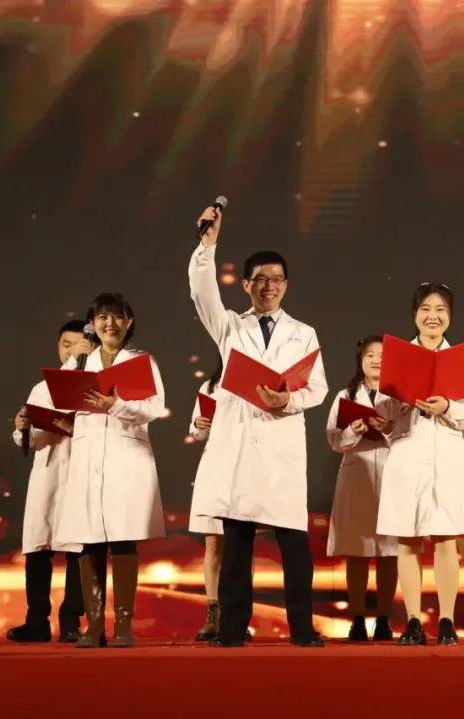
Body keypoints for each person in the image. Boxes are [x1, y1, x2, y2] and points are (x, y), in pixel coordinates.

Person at [188, 204, 328, 648]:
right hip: (241, 450)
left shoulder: (304, 333)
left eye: (277, 279)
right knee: (237, 547)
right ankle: (232, 629)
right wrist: (208, 245)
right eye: (261, 279)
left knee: (294, 550)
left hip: (282, 449)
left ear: (287, 285)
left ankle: (302, 629)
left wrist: (288, 399)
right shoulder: (230, 327)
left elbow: (318, 388)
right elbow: (202, 292)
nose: (269, 286)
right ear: (246, 285)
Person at [55, 293, 167, 648]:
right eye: (103, 317)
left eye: (118, 316)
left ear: (129, 322)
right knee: (88, 539)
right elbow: (60, 402)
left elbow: (154, 408)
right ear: (93, 323)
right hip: (88, 458)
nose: (110, 323)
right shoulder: (79, 363)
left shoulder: (141, 361)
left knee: (122, 538)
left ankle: (123, 624)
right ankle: (93, 624)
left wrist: (116, 405)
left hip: (126, 456)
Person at [375, 283, 464, 646]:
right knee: (408, 539)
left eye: (440, 310)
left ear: (449, 316)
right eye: (425, 309)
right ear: (414, 314)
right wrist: (405, 398)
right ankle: (414, 621)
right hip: (408, 452)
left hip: (447, 454)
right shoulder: (398, 356)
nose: (432, 316)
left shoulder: (461, 359)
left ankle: (447, 620)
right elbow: (383, 407)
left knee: (446, 538)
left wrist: (447, 406)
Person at [5, 320, 89, 643]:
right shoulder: (41, 388)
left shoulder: (94, 386)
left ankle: (71, 621)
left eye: (79, 345)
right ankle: (37, 621)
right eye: (66, 345)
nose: (71, 352)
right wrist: (22, 426)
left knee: (78, 550)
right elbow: (31, 437)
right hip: (47, 472)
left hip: (79, 473)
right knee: (38, 549)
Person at [325, 336, 399, 642]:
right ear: (360, 360)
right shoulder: (346, 395)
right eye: (370, 355)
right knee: (357, 551)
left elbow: (412, 434)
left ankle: (384, 619)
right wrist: (352, 431)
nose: (376, 360)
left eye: (382, 355)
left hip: (393, 474)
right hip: (357, 475)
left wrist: (390, 430)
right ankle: (356, 619)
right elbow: (333, 439)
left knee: (390, 551)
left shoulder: (399, 396)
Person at [187, 358, 228, 642]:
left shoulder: (258, 386)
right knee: (213, 544)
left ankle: (238, 612)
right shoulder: (210, 387)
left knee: (242, 546)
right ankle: (213, 613)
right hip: (215, 467)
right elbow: (199, 432)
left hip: (247, 468)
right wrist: (199, 423)